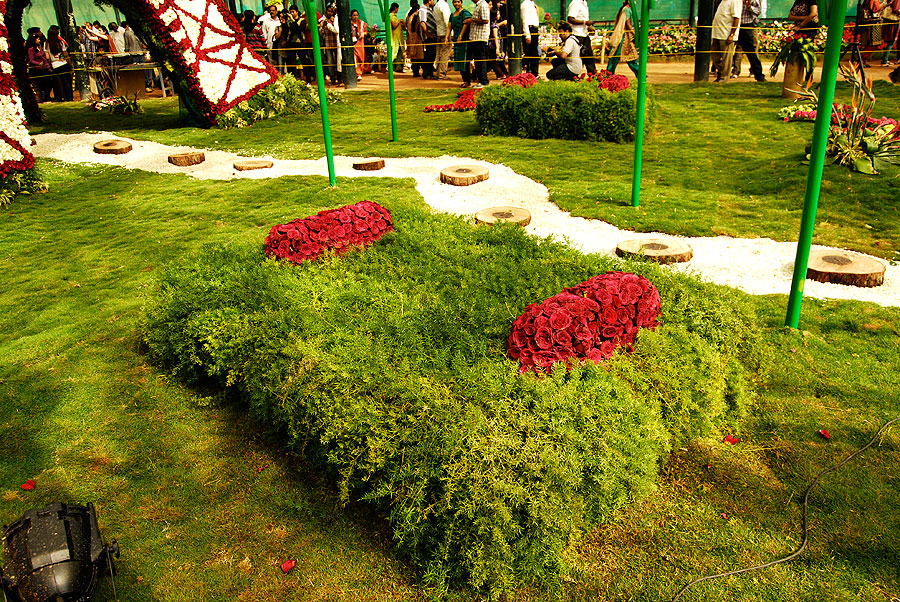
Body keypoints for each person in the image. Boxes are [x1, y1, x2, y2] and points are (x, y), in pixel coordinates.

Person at [732, 0, 765, 81]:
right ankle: (734, 71)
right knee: (736, 50)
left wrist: (749, 7)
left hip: (746, 26)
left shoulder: (752, 1)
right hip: (734, 25)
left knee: (751, 51)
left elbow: (758, 11)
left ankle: (758, 74)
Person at [711, 0, 741, 82]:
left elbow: (737, 18)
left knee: (726, 58)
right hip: (717, 33)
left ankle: (724, 78)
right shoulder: (723, 1)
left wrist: (731, 35)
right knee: (714, 54)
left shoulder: (735, 1)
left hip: (726, 34)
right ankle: (721, 72)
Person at [606, 0, 638, 76]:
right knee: (615, 56)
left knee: (631, 57)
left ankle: (640, 73)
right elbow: (628, 24)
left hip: (625, 36)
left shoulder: (625, 9)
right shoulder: (626, 9)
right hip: (623, 37)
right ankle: (608, 74)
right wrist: (635, 34)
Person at [45, 25, 73, 102]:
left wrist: (50, 65)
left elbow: (47, 57)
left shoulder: (46, 43)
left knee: (60, 83)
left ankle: (64, 97)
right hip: (63, 63)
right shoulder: (60, 42)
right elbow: (65, 53)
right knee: (67, 82)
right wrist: (70, 64)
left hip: (55, 65)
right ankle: (69, 98)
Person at [567, 0, 595, 73]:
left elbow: (584, 19)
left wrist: (588, 27)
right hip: (577, 35)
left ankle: (593, 77)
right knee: (578, 59)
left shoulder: (584, 3)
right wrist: (584, 22)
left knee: (589, 58)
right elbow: (570, 19)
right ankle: (575, 77)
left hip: (585, 34)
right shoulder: (575, 2)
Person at [26, 31, 54, 102]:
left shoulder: (39, 47)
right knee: (41, 84)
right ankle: (43, 98)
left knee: (49, 83)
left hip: (45, 67)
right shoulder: (31, 49)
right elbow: (31, 60)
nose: (39, 40)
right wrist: (38, 63)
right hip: (38, 69)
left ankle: (48, 96)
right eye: (38, 39)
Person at [469, 0, 491, 86]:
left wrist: (472, 19)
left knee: (481, 60)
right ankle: (481, 80)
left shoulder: (483, 5)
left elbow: (485, 20)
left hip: (481, 37)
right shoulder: (478, 5)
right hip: (475, 37)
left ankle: (484, 81)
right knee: (478, 61)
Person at [450, 0, 471, 85]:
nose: (457, 4)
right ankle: (464, 80)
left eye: (458, 2)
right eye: (455, 2)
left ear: (461, 3)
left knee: (465, 61)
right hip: (456, 41)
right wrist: (447, 37)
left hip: (464, 41)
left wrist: (460, 35)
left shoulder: (465, 13)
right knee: (458, 59)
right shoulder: (452, 15)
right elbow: (449, 26)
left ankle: (467, 80)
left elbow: (466, 23)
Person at [319, 4, 342, 84]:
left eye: (331, 11)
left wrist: (332, 23)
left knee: (338, 61)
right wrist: (325, 25)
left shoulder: (335, 20)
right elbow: (320, 33)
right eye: (329, 11)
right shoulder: (322, 21)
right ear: (326, 11)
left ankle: (339, 78)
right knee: (330, 62)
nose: (330, 13)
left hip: (336, 43)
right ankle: (332, 78)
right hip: (328, 44)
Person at [419, 0, 438, 78]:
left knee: (432, 54)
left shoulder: (429, 10)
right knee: (429, 55)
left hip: (432, 35)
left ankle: (429, 73)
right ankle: (426, 73)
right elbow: (423, 23)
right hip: (428, 37)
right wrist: (428, 34)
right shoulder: (423, 10)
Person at [434, 0, 452, 78]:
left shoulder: (436, 5)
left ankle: (438, 72)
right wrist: (450, 34)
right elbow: (447, 20)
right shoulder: (444, 5)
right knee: (445, 54)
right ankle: (442, 74)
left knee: (439, 53)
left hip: (439, 32)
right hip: (445, 33)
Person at [521, 0, 540, 75]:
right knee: (531, 53)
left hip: (534, 29)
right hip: (530, 29)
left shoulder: (532, 4)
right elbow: (524, 20)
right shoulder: (525, 4)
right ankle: (531, 72)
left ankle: (534, 72)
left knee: (534, 52)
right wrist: (527, 35)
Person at [406, 0, 424, 76]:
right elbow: (417, 28)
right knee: (418, 56)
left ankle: (415, 71)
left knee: (413, 56)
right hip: (416, 38)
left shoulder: (408, 15)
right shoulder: (416, 16)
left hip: (410, 38)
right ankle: (416, 72)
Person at [882, 0, 900, 65]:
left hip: (889, 20)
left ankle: (885, 60)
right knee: (892, 41)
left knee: (891, 41)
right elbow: (896, 9)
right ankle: (884, 60)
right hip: (894, 21)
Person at [390, 3, 406, 72]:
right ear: (395, 8)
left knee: (400, 51)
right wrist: (399, 21)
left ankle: (398, 66)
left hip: (399, 36)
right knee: (394, 52)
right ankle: (389, 66)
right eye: (397, 8)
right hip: (395, 36)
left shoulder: (395, 16)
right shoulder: (391, 15)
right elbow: (394, 25)